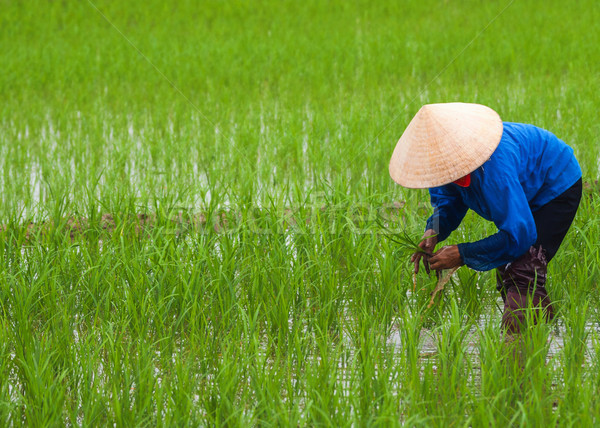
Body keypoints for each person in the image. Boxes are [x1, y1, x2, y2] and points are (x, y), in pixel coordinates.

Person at [388, 103, 582, 334]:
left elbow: (518, 235)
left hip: (556, 185)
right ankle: (537, 335)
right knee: (509, 268)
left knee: (523, 269)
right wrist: (433, 231)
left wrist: (462, 253)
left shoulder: (493, 171)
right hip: (522, 185)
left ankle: (521, 347)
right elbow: (448, 201)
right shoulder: (446, 167)